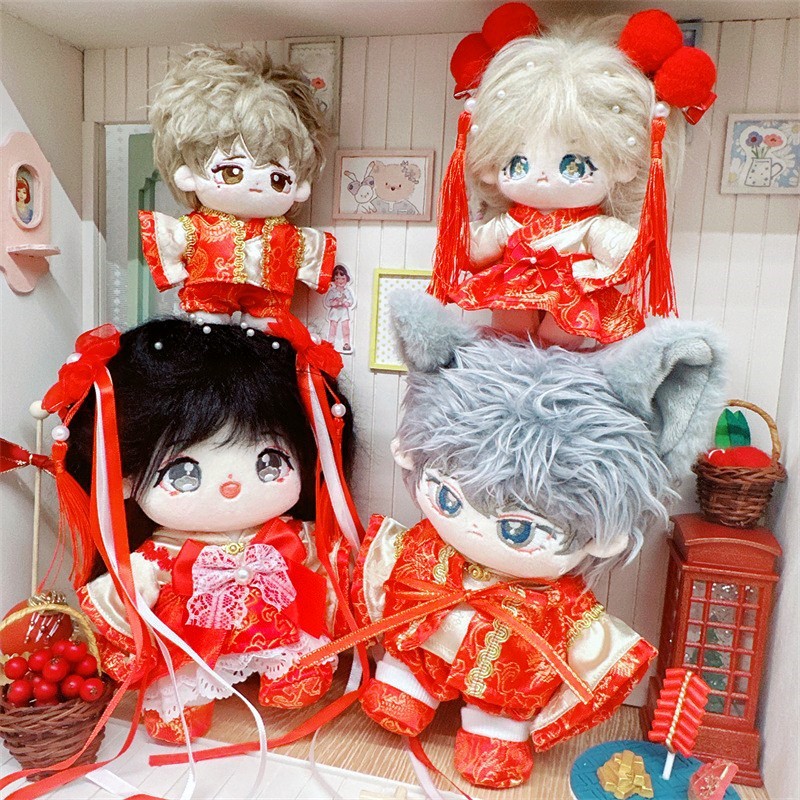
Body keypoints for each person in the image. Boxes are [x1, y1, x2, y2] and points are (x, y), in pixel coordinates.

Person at [352, 292, 725, 788]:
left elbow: (580, 637)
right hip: (420, 646)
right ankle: (407, 683)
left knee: (503, 712)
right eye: (447, 499)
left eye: (518, 528)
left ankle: (494, 730)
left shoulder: (552, 596)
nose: (473, 529)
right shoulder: (431, 546)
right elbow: (395, 580)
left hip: (506, 685)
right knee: (405, 662)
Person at [56, 320, 352, 742]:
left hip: (277, 625)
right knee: (180, 668)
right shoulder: (160, 555)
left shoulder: (286, 536)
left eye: (269, 462)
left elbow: (322, 570)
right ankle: (185, 700)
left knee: (297, 640)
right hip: (192, 641)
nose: (232, 487)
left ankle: (289, 670)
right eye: (185, 471)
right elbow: (131, 588)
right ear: (124, 478)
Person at [431, 6, 716, 348]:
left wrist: (626, 250)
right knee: (508, 327)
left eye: (574, 166)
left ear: (622, 166)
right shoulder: (511, 223)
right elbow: (474, 248)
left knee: (564, 331)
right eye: (518, 164)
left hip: (572, 287)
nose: (541, 178)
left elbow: (622, 249)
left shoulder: (589, 226)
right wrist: (465, 244)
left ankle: (557, 361)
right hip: (514, 284)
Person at [140, 46, 335, 329]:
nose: (255, 183)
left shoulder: (287, 234)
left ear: (299, 188)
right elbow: (172, 246)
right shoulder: (197, 227)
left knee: (268, 326)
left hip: (269, 299)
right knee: (207, 324)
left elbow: (309, 256)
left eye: (277, 179)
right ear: (187, 176)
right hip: (209, 294)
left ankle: (263, 323)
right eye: (231, 172)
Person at [323, 265, 355, 352]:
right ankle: (330, 343)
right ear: (334, 280)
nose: (340, 281)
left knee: (345, 327)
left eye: (342, 279)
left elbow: (351, 300)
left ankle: (346, 343)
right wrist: (334, 303)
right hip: (335, 312)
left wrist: (347, 303)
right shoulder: (332, 291)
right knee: (333, 327)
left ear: (346, 279)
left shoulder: (347, 291)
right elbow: (327, 302)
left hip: (344, 312)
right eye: (337, 279)